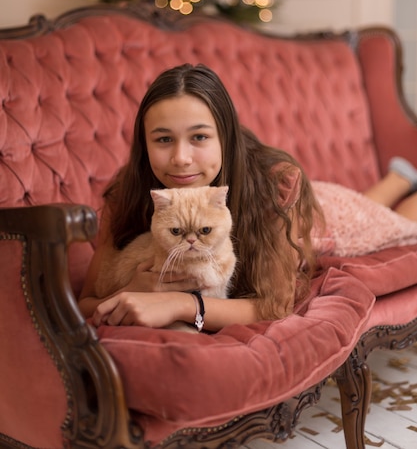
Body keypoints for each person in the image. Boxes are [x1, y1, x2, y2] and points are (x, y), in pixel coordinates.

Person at [78, 63, 417, 330]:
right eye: (163, 140)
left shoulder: (276, 182)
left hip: (326, 222)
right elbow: (85, 304)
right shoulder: (132, 189)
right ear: (144, 144)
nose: (181, 158)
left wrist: (183, 304)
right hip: (315, 201)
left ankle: (400, 181)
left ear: (225, 138)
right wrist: (133, 290)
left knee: (402, 221)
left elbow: (275, 305)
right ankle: (400, 177)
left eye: (199, 137)